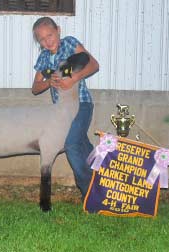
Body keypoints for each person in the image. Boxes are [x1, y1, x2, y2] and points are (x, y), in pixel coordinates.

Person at [32, 17, 99, 198]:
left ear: (58, 30)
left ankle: (90, 195)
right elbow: (35, 87)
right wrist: (48, 82)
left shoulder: (70, 44)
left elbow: (93, 64)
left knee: (71, 145)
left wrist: (75, 78)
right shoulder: (44, 57)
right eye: (42, 39)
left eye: (50, 35)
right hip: (61, 112)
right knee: (83, 146)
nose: (48, 41)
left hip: (81, 104)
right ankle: (102, 184)